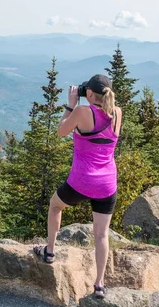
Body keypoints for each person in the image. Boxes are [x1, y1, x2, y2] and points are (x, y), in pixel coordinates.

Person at [33, 74, 121, 299]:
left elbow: (61, 131)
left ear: (89, 93)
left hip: (82, 181)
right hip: (107, 183)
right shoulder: (117, 113)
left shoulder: (83, 112)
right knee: (101, 234)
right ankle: (99, 284)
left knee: (55, 206)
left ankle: (50, 252)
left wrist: (70, 105)